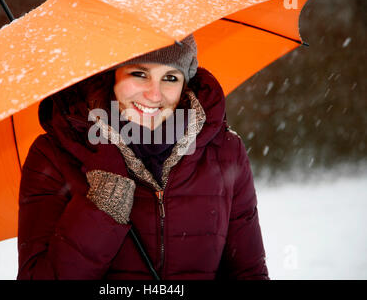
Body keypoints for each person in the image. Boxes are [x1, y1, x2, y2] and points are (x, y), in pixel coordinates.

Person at [17, 34, 269, 280]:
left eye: (170, 77)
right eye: (139, 74)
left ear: (184, 84)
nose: (154, 95)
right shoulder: (53, 155)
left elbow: (249, 273)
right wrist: (103, 206)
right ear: (111, 74)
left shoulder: (225, 152)